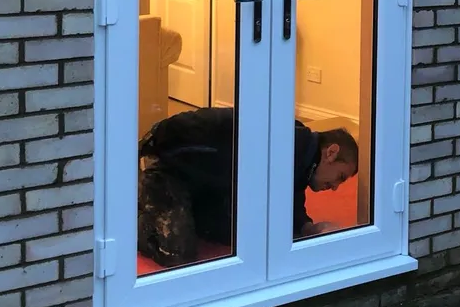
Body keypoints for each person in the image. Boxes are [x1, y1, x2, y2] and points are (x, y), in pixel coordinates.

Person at [136, 106, 359, 267]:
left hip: (204, 182)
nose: (335, 188)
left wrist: (306, 227)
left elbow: (291, 194)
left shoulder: (303, 158)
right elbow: (188, 128)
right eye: (340, 176)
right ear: (331, 152)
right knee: (177, 252)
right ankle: (134, 211)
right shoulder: (286, 142)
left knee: (237, 232)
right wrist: (150, 148)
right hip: (170, 166)